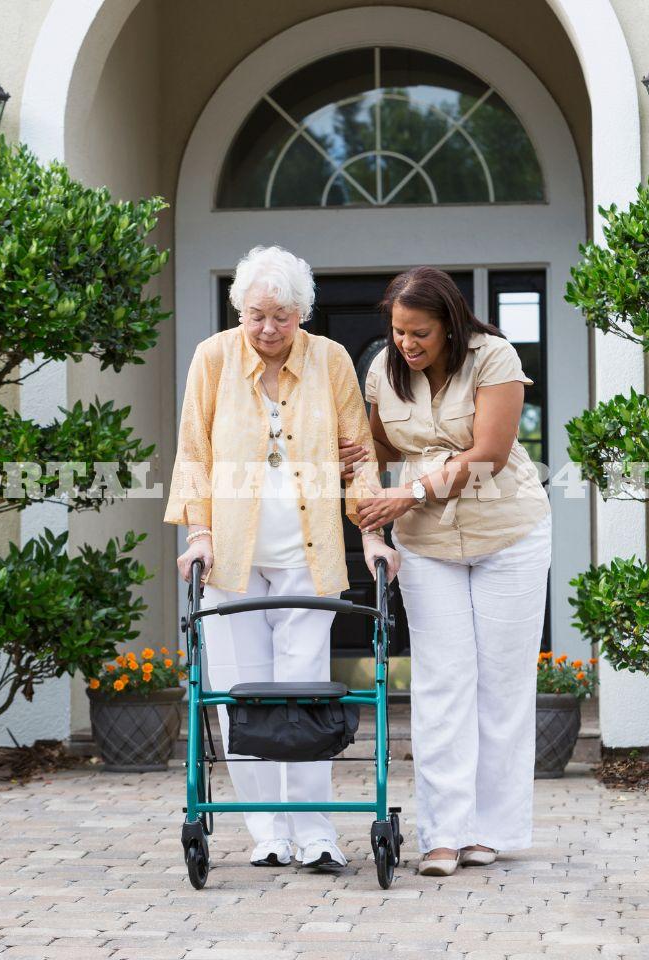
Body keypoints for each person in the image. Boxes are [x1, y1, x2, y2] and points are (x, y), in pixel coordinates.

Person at [165, 245, 399, 871]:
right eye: (256, 315)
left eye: (282, 316)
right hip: (231, 560)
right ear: (239, 308)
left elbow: (358, 457)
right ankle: (267, 832)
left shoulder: (331, 360)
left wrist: (373, 533)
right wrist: (200, 533)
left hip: (307, 553)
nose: (268, 329)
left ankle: (316, 832)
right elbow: (193, 453)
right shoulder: (213, 357)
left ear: (304, 314)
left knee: (305, 699)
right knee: (242, 696)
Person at [358, 266, 551, 877]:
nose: (407, 345)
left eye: (420, 333)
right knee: (442, 685)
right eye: (398, 333)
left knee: (502, 684)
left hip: (508, 533)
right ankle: (441, 836)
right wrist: (356, 459)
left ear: (451, 325)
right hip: (427, 544)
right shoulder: (382, 371)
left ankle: (488, 831)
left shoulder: (493, 356)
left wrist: (409, 492)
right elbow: (377, 448)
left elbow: (490, 454)